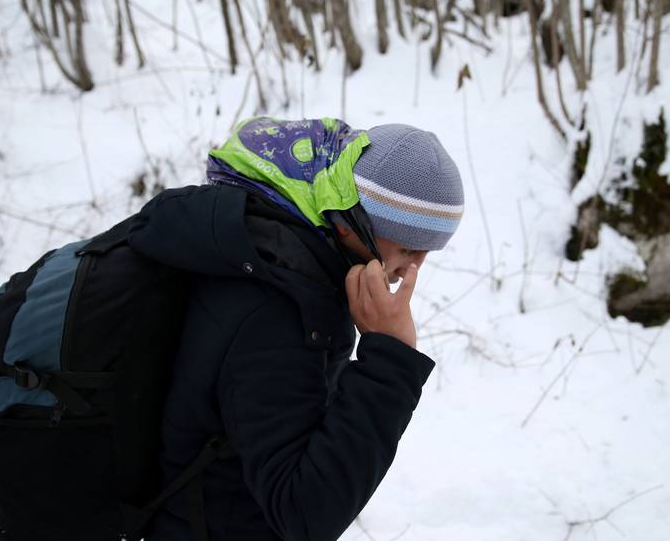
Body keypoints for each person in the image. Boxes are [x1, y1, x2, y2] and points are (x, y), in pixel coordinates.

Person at [127, 117, 464, 540]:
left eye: (427, 252)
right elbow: (304, 513)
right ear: (348, 221)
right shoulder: (276, 307)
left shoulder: (269, 252)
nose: (413, 269)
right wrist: (391, 362)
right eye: (408, 248)